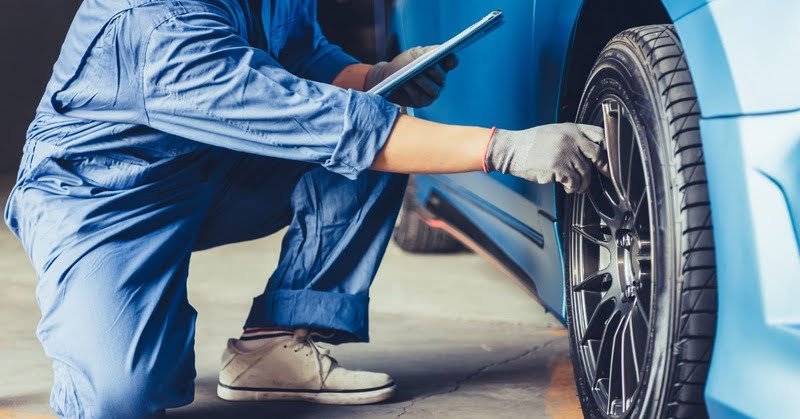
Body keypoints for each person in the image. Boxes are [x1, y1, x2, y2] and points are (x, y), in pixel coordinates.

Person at [4, 0, 608, 417]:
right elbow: (328, 125)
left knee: (377, 109)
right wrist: (503, 148)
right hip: (108, 198)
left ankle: (274, 346)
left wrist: (376, 74)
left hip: (218, 165)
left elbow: (302, 61)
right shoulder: (157, 23)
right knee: (121, 398)